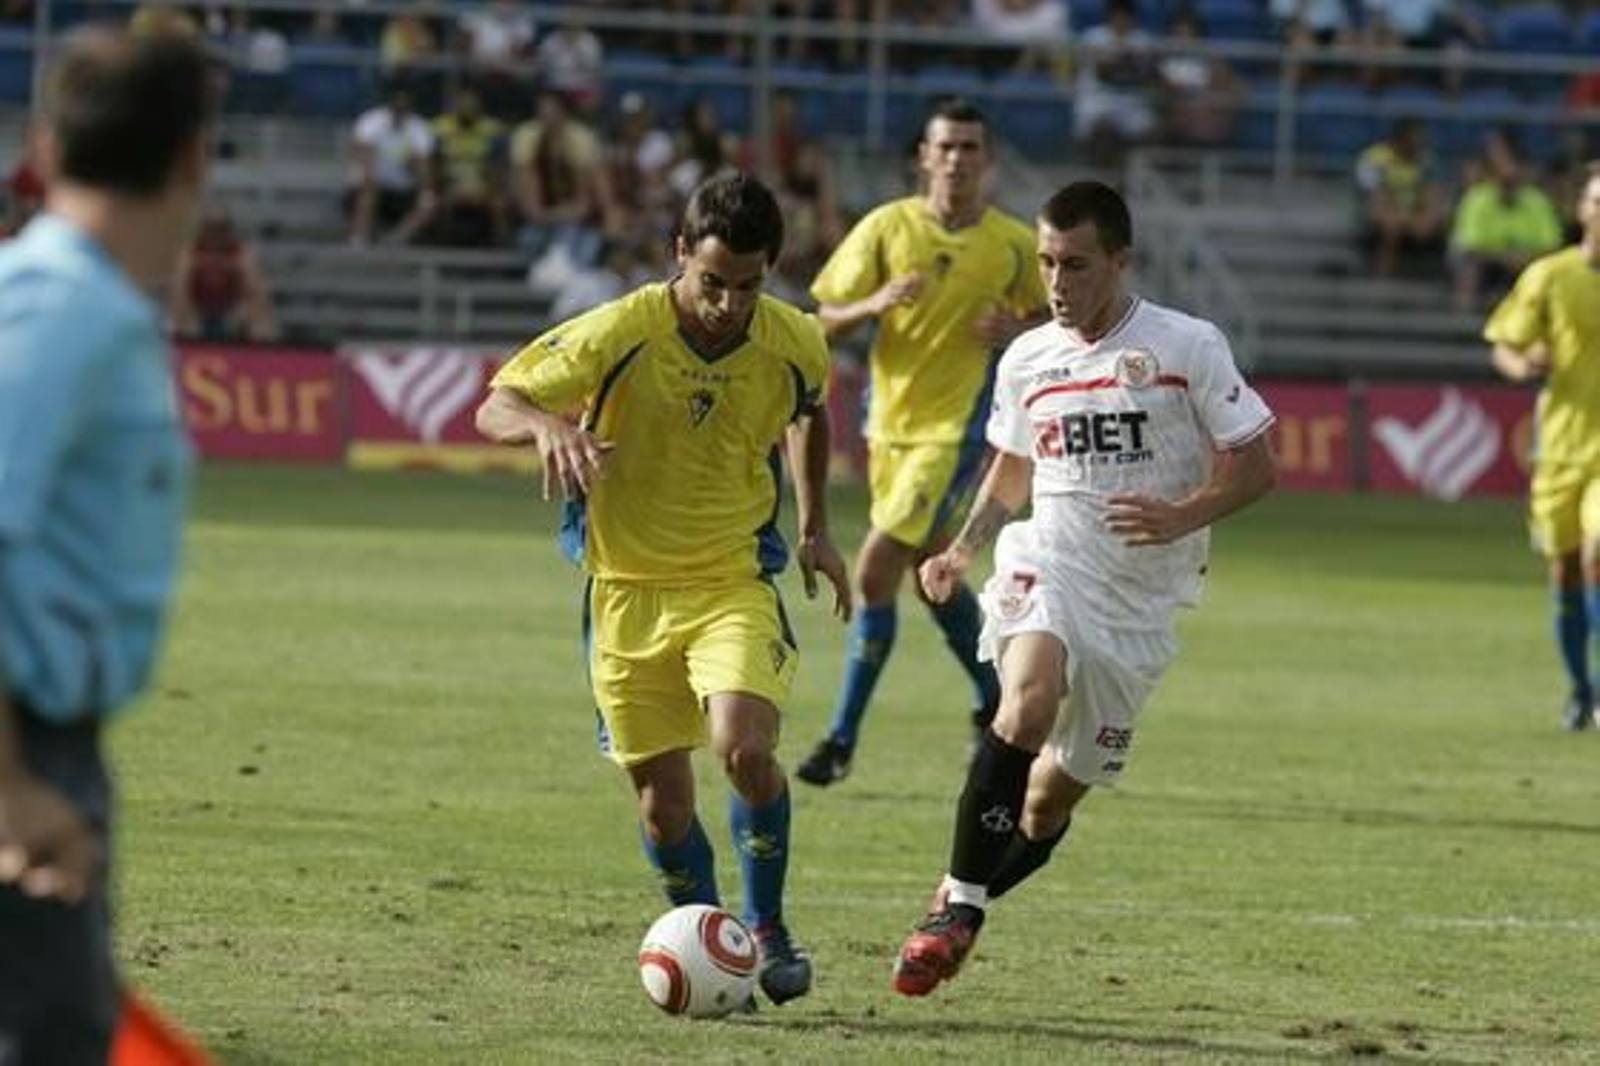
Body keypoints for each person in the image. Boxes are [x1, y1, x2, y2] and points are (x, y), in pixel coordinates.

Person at [889, 181, 1277, 997]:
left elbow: (1257, 461)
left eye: (1075, 265)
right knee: (1026, 698)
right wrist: (963, 549)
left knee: (1047, 804)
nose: (1057, 283)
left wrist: (1186, 513)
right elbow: (1014, 465)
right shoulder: (1029, 356)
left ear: (1120, 262)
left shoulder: (1185, 345)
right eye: (1046, 263)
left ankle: (965, 904)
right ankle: (956, 905)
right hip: (1051, 560)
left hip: (1143, 597)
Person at [475, 173, 852, 1007]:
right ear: (680, 254)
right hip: (624, 592)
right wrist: (548, 426)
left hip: (731, 582)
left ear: (771, 273)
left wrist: (818, 526)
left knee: (745, 750)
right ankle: (715, 953)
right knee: (662, 809)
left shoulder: (795, 341)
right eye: (711, 281)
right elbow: (496, 404)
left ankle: (767, 928)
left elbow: (810, 410)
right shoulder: (623, 329)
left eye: (748, 286)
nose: (726, 303)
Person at [0, 24, 213, 1059]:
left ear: (46, 141)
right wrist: (10, 784)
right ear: (190, 158)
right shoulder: (59, 310)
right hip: (23, 747)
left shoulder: (85, 306)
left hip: (52, 744)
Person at [794, 98, 1048, 788]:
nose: (958, 159)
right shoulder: (885, 228)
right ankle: (995, 693)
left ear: (988, 161)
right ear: (924, 157)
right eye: (947, 147)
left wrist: (1020, 332)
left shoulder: (1015, 244)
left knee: (875, 568)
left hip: (958, 432)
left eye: (971, 147)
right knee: (929, 569)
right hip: (886, 428)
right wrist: (870, 307)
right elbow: (821, 320)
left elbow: (1063, 320)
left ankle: (840, 739)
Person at [1484, 162, 1600, 732]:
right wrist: (1522, 364)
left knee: (1598, 551)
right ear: (1581, 209)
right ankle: (1581, 690)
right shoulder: (1550, 276)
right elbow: (1505, 345)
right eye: (1598, 201)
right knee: (1565, 574)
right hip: (1560, 447)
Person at [169, 201, 279, 341]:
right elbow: (179, 290)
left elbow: (255, 289)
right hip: (199, 312)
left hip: (231, 312)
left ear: (228, 229)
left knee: (259, 312)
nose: (215, 234)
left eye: (220, 228)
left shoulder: (242, 253)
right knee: (180, 310)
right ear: (203, 229)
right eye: (211, 228)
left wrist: (233, 267)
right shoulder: (190, 253)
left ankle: (264, 356)